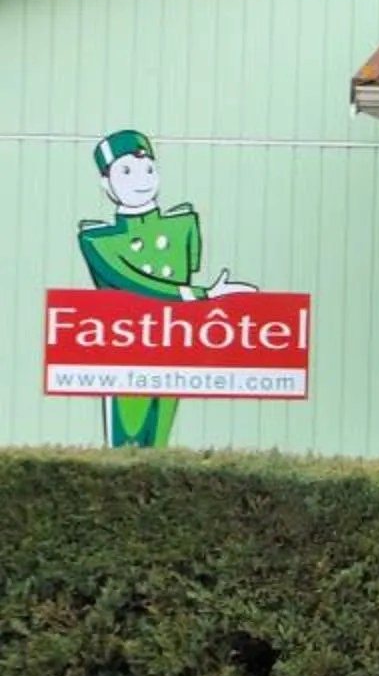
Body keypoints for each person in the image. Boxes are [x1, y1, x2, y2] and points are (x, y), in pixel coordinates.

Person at [75, 129, 253, 448]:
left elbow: (187, 268)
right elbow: (137, 284)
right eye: (126, 172)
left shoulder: (182, 225)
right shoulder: (98, 240)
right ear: (107, 183)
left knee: (159, 437)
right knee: (126, 437)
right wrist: (201, 295)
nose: (140, 179)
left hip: (172, 342)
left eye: (148, 169)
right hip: (125, 347)